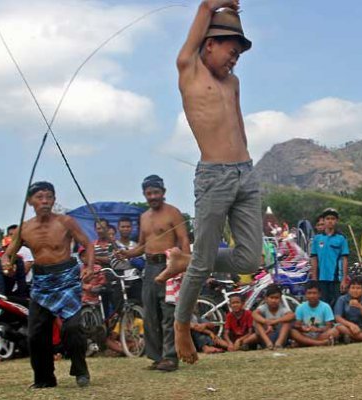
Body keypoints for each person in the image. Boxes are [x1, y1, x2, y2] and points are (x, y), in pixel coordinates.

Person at [169, 0, 263, 364]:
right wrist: (210, 5)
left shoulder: (233, 82)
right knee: (205, 263)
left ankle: (187, 260)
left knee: (249, 258)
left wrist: (248, 167)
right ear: (209, 44)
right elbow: (201, 19)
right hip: (213, 177)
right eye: (230, 49)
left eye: (239, 53)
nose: (235, 58)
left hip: (245, 173)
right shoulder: (190, 70)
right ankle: (181, 326)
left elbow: (238, 125)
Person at [2, 182, 94, 388]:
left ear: (54, 199)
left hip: (67, 279)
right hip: (41, 282)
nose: (45, 201)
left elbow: (87, 244)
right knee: (36, 333)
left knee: (73, 328)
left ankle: (80, 369)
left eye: (49, 197)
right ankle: (44, 378)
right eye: (40, 197)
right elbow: (8, 253)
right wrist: (6, 264)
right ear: (30, 201)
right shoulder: (24, 228)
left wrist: (88, 266)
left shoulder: (66, 221)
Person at [117, 175, 190, 371]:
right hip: (149, 268)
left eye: (156, 192)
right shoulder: (144, 217)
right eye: (149, 193)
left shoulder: (173, 213)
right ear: (144, 194)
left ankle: (170, 357)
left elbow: (183, 240)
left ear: (163, 192)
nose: (152, 196)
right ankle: (156, 357)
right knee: (150, 314)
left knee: (168, 312)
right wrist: (127, 253)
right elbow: (142, 246)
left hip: (169, 265)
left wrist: (184, 265)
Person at [310, 208, 350, 307]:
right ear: (323, 220)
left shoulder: (341, 238)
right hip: (321, 277)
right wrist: (314, 278)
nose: (330, 221)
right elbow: (314, 259)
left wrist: (344, 279)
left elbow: (345, 259)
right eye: (327, 218)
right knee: (323, 304)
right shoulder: (317, 239)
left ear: (336, 221)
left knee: (337, 304)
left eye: (333, 218)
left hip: (336, 278)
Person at [290, 282, 339, 347]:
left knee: (335, 331)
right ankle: (320, 343)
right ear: (305, 294)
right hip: (306, 334)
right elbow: (297, 325)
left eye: (314, 293)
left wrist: (317, 330)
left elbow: (329, 327)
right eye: (309, 293)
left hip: (321, 334)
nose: (312, 296)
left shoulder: (326, 306)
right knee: (292, 331)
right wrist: (303, 328)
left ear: (319, 294)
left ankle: (305, 343)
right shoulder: (300, 307)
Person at [253, 284, 294, 350]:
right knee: (257, 322)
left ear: (280, 299)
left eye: (276, 298)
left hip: (279, 336)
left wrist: (275, 321)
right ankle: (268, 344)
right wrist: (266, 322)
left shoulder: (282, 308)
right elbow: (254, 314)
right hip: (266, 335)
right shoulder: (264, 307)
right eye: (271, 298)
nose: (274, 300)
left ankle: (278, 344)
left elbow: (291, 315)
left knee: (287, 322)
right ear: (266, 299)